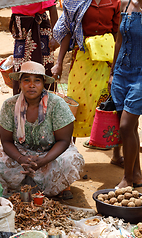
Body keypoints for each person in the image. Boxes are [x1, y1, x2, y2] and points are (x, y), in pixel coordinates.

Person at [0, 61, 84, 199]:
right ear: (20, 83)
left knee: (71, 160)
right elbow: (6, 141)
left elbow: (64, 141)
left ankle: (58, 187)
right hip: (22, 153)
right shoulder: (9, 105)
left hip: (51, 154)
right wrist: (21, 159)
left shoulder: (57, 104)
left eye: (37, 81)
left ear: (43, 83)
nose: (31, 85)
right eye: (26, 80)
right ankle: (33, 184)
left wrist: (42, 161)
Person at [51, 0, 124, 168]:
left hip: (106, 61)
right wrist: (59, 62)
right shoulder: (75, 1)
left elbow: (117, 34)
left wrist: (115, 66)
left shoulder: (115, 2)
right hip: (83, 58)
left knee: (109, 104)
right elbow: (69, 31)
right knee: (76, 105)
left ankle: (116, 154)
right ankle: (70, 154)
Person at [108, 0, 142, 188]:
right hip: (121, 73)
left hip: (140, 76)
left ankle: (127, 179)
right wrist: (113, 72)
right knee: (131, 127)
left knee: (126, 127)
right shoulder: (126, 4)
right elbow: (119, 41)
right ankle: (136, 174)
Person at [9, 1, 59, 95]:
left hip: (40, 28)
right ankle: (21, 105)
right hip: (21, 27)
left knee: (45, 67)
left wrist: (56, 37)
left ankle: (47, 105)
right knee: (20, 68)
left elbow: (52, 7)